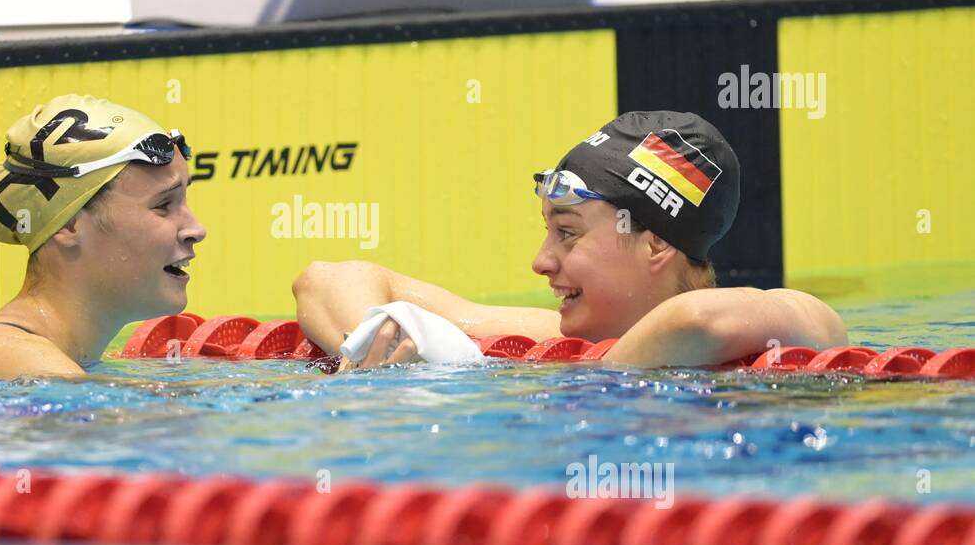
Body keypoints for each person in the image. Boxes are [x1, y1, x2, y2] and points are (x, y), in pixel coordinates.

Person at [293, 111, 845, 369]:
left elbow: (695, 320)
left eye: (568, 234)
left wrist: (595, 378)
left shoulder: (781, 320)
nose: (540, 262)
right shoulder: (542, 337)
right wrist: (370, 346)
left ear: (655, 245)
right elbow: (326, 279)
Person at [0, 94, 205, 377]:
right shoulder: (32, 366)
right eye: (162, 205)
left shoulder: (59, 360)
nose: (196, 230)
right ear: (69, 224)